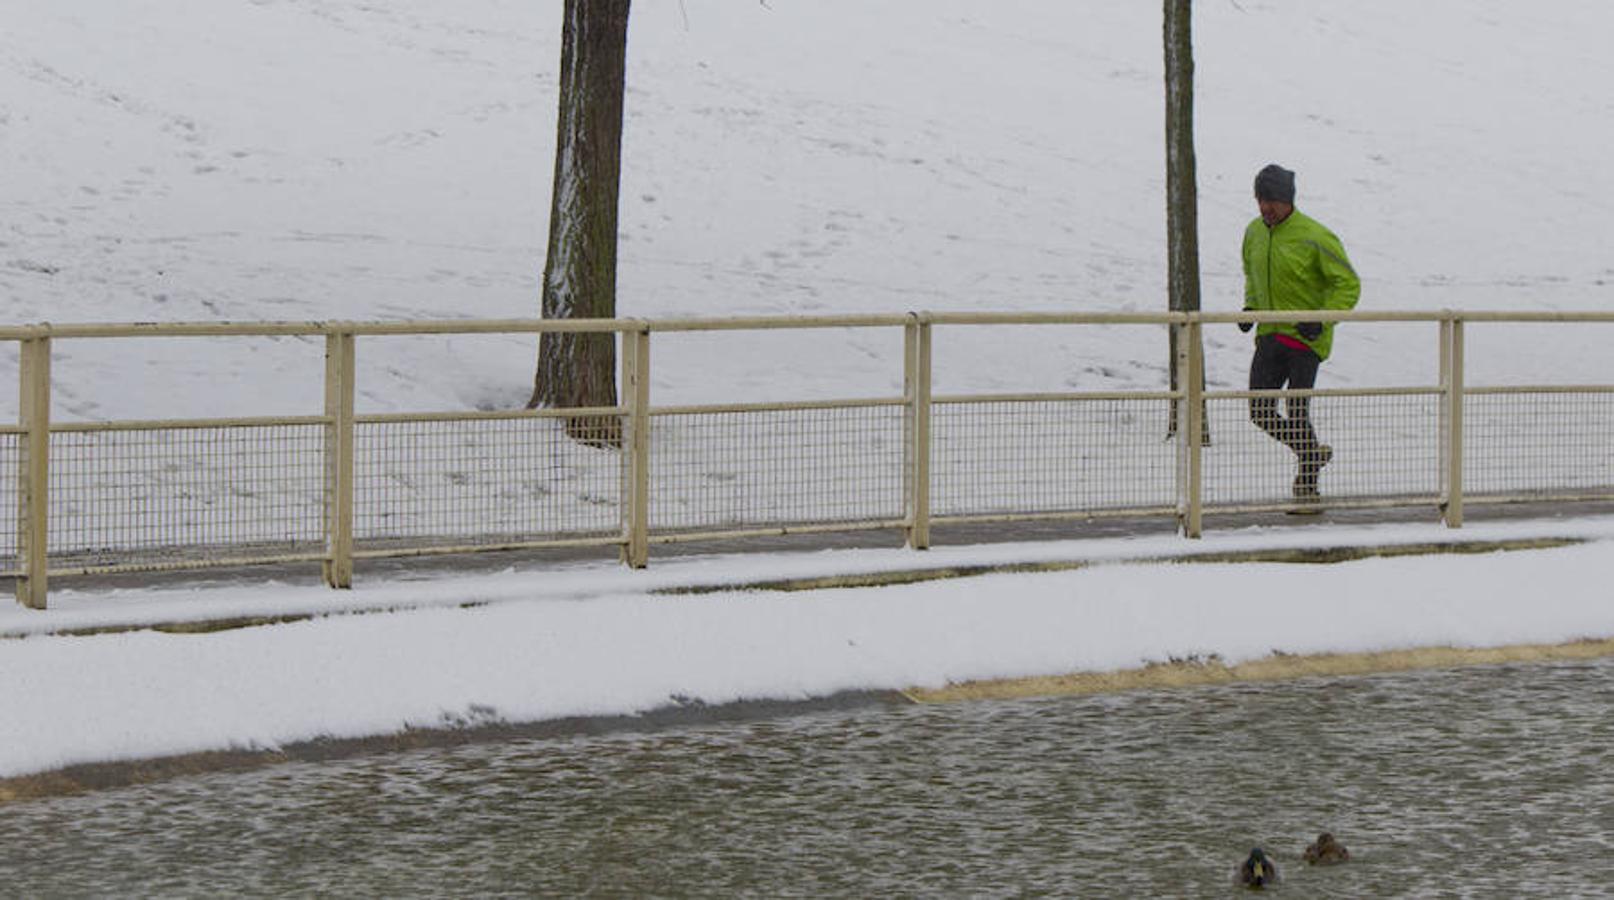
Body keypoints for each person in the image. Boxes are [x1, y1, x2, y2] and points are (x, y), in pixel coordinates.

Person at [1239, 163, 1360, 503]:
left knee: (1296, 411)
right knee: (1259, 413)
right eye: (1260, 199)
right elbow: (1251, 274)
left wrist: (1321, 320)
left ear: (1288, 200)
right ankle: (1311, 452)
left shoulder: (1315, 235)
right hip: (1269, 334)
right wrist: (1250, 308)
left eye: (1272, 200)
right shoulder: (1253, 233)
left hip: (1305, 340)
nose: (1265, 208)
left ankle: (1307, 479)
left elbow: (1348, 284)